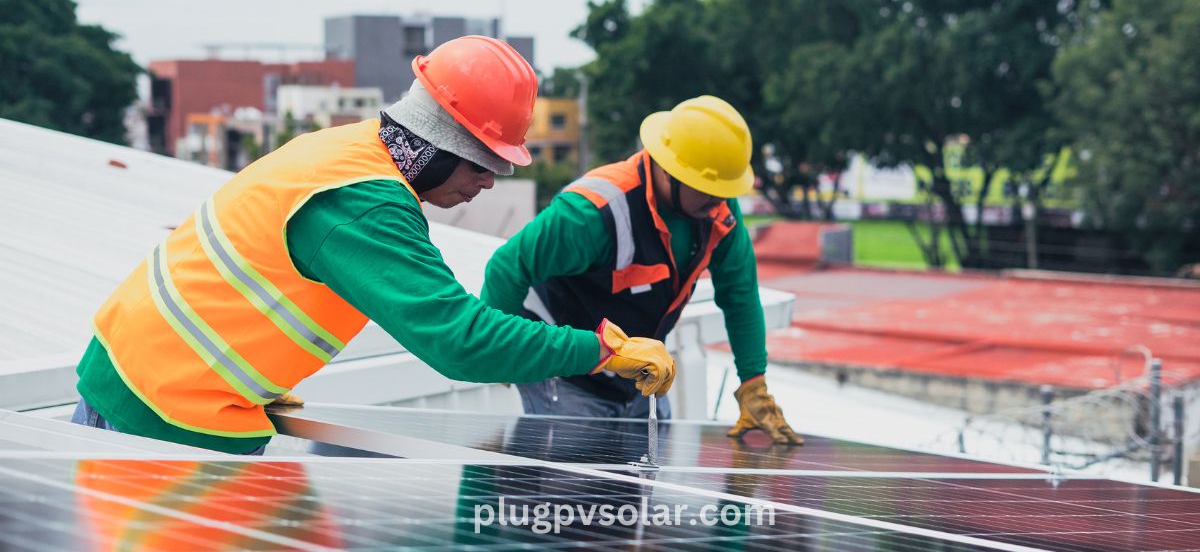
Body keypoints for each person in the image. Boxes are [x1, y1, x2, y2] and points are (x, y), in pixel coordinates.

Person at [71, 36, 675, 454]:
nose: (489, 182)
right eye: (484, 163)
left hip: (155, 381)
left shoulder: (348, 149)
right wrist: (601, 350)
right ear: (441, 140)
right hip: (160, 410)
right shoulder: (365, 203)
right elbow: (458, 342)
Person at [481, 95, 801, 444]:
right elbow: (507, 267)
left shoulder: (717, 213)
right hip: (566, 375)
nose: (720, 201)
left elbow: (740, 295)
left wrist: (753, 383)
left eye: (725, 191)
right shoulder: (592, 212)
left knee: (638, 487)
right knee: (576, 487)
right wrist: (503, 353)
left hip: (640, 376)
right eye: (710, 190)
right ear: (669, 170)